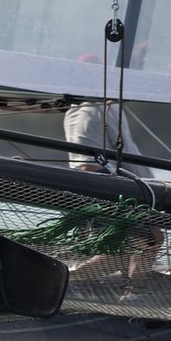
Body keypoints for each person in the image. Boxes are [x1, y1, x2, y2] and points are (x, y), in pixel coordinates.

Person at [63, 67, 161, 298]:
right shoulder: (86, 112)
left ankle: (67, 281)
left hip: (137, 191)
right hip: (117, 193)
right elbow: (85, 164)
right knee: (149, 238)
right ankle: (131, 295)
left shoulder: (107, 105)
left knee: (129, 249)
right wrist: (118, 191)